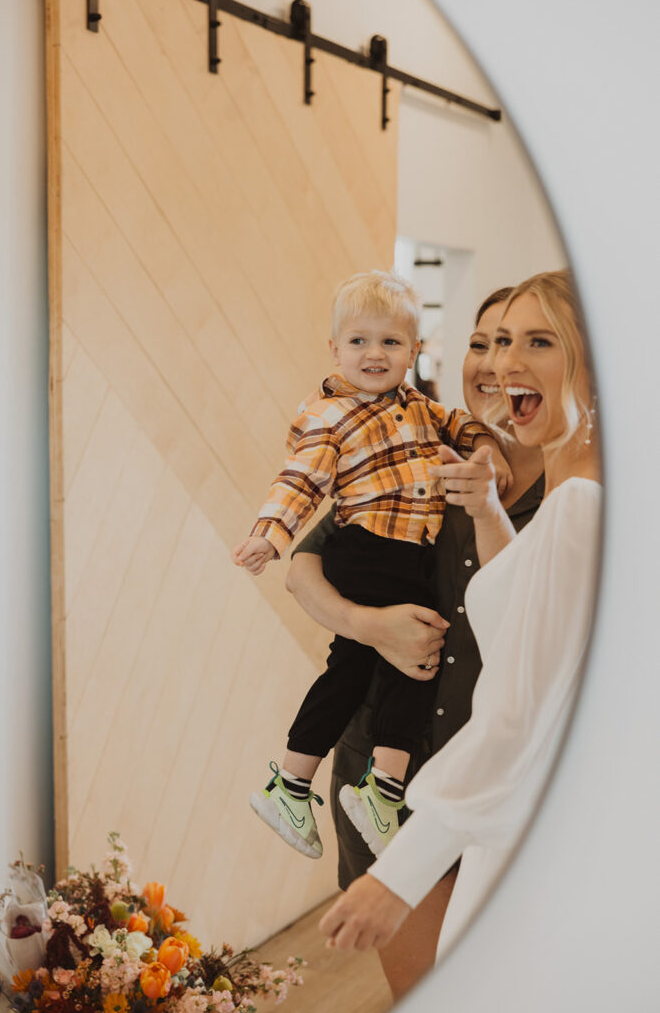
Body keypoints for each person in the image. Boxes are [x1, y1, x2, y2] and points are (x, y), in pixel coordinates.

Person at [316, 270, 601, 969]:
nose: (502, 363)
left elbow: (516, 711)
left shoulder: (578, 506)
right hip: (453, 792)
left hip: (503, 813)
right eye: (497, 341)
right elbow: (524, 610)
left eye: (537, 341)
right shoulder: (567, 496)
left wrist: (397, 877)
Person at [286, 285, 545, 994]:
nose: (496, 364)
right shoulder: (405, 439)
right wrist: (368, 625)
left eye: (530, 342)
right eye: (482, 343)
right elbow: (304, 564)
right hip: (387, 763)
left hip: (503, 779)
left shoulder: (577, 488)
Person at [231, 270, 509, 861]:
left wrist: (484, 445)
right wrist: (269, 535)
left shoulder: (415, 405)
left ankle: (296, 782)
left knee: (354, 671)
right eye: (358, 341)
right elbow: (300, 479)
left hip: (397, 555)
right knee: (419, 653)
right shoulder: (333, 415)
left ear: (413, 350)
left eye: (390, 342)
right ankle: (380, 789)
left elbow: (458, 424)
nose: (373, 354)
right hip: (370, 552)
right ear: (334, 349)